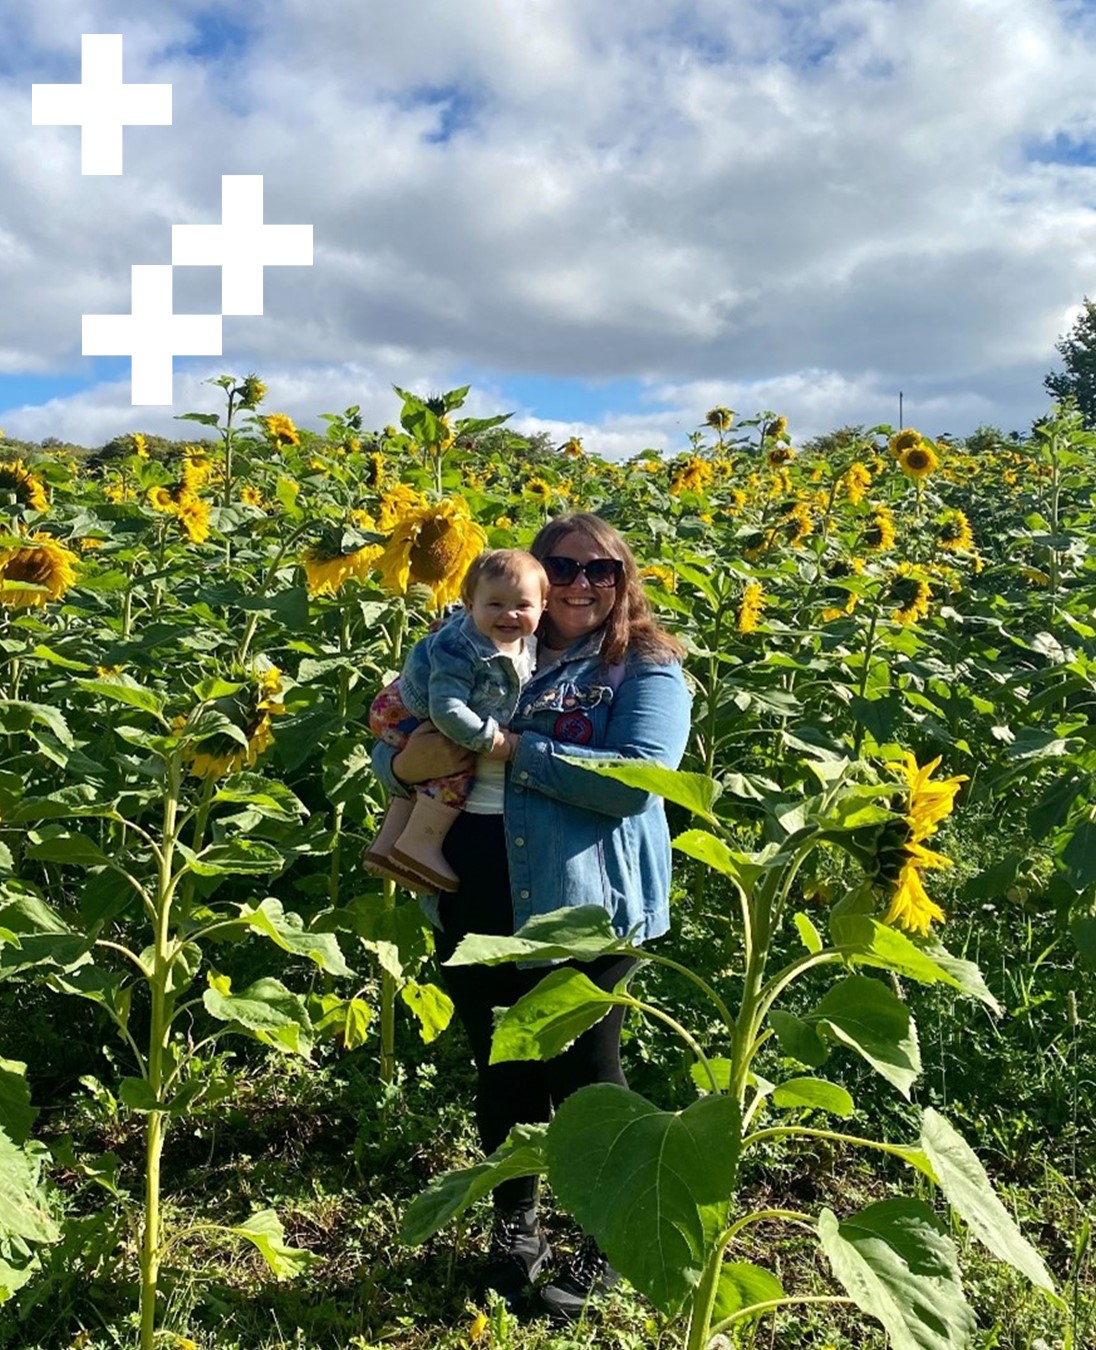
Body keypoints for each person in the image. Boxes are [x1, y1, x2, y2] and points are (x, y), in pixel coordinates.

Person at [370, 512, 691, 1320]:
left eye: (602, 571)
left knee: (586, 1079)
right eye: (565, 567)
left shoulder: (644, 668)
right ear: (536, 577)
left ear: (624, 581)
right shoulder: (483, 641)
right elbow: (400, 735)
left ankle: (609, 1235)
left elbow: (636, 780)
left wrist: (513, 750)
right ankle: (515, 1228)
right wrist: (402, 760)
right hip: (474, 887)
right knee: (502, 1067)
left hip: (587, 905)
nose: (583, 584)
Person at [365, 549, 548, 892]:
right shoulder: (461, 646)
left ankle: (388, 845)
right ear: (469, 603)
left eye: (522, 606)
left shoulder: (523, 643)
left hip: (414, 711)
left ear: (543, 607)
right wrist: (488, 739)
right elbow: (447, 708)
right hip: (405, 711)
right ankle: (421, 845)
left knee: (440, 758)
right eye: (495, 604)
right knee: (455, 762)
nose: (509, 614)